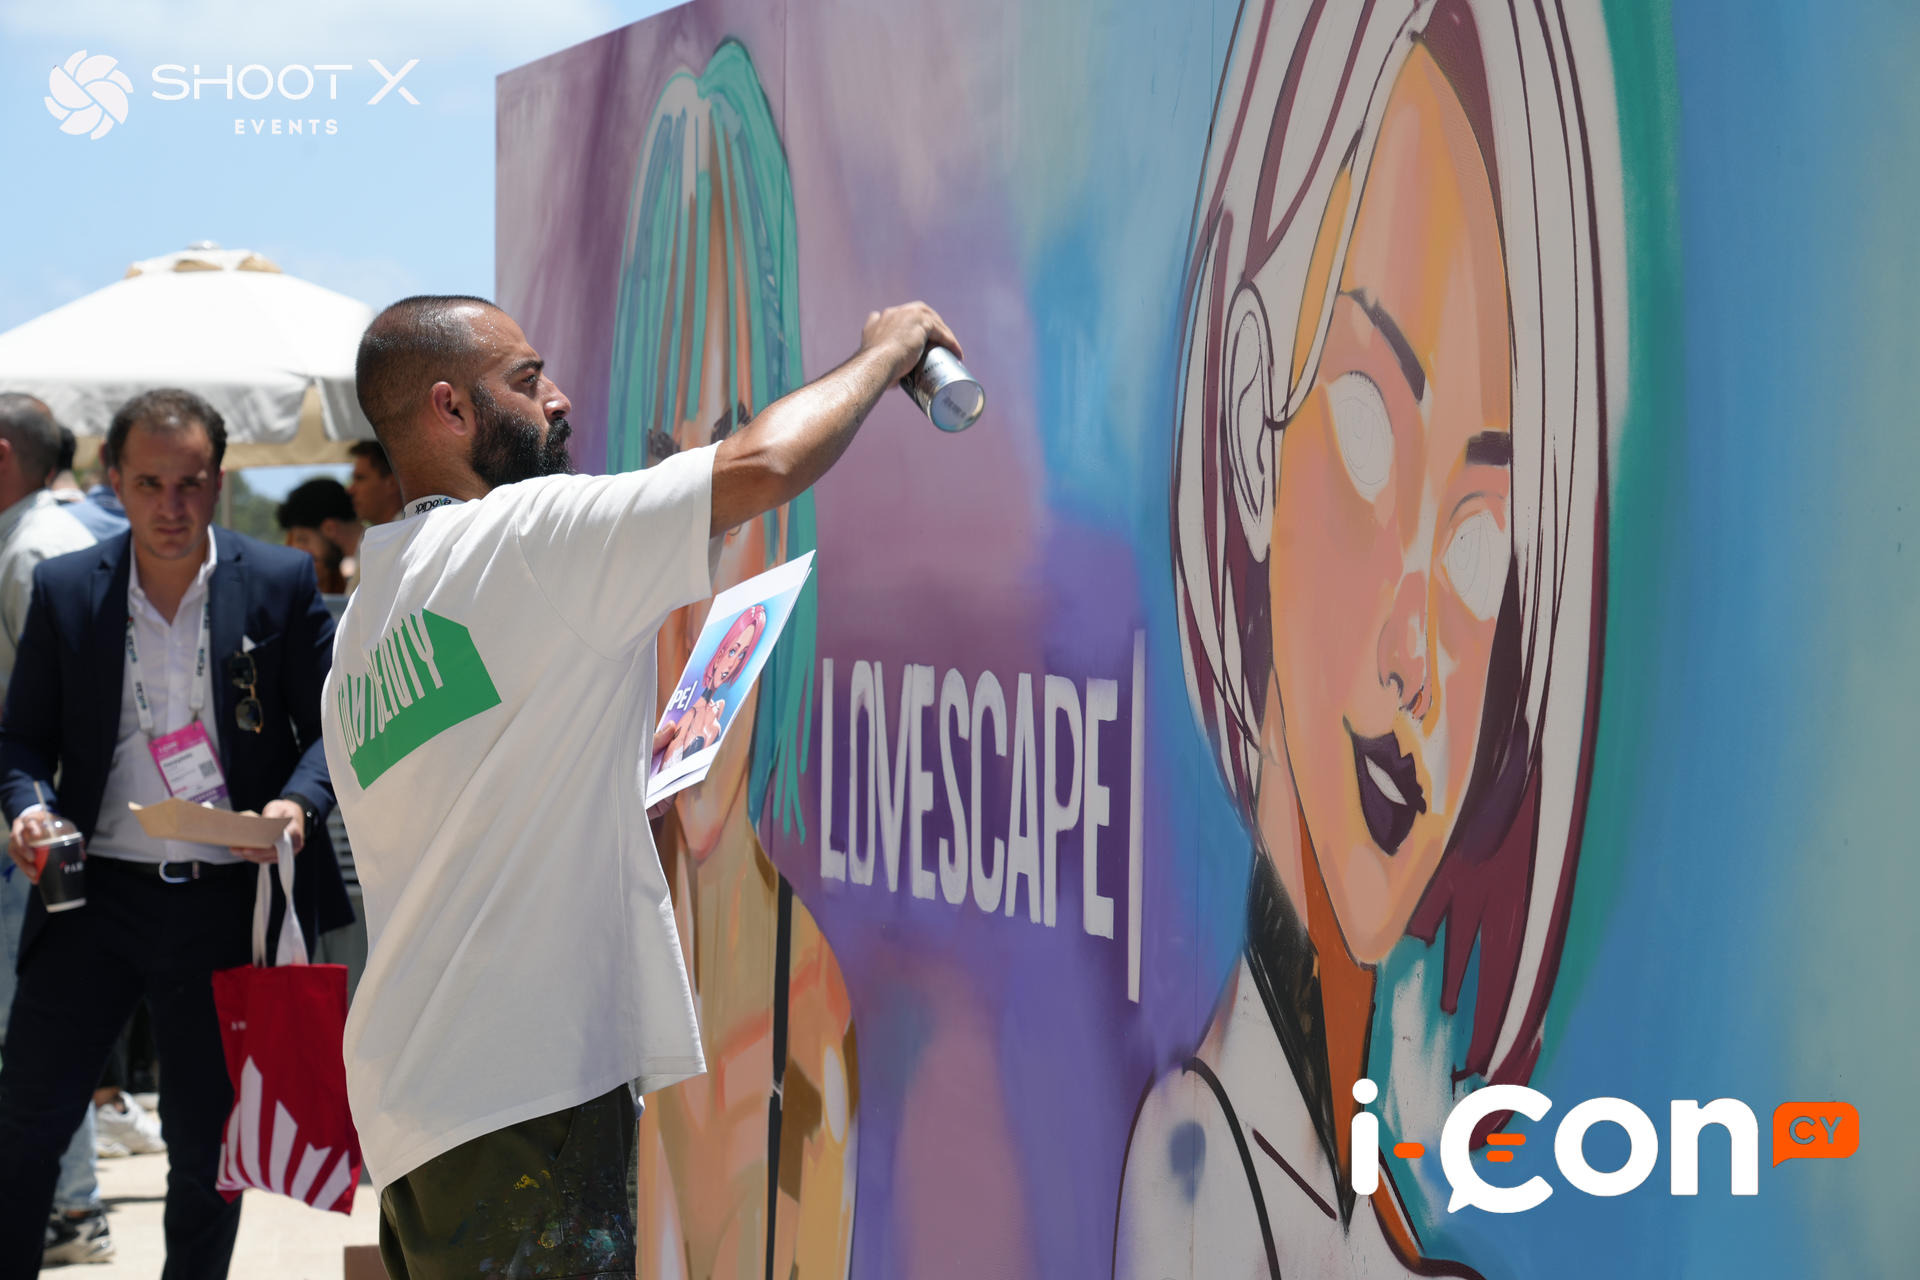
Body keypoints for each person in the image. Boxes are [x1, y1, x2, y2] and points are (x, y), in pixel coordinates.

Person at [1117, 1, 1620, 1276]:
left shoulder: (1362, 1195)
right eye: (1367, 426)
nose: (1417, 649)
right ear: (1251, 421)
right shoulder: (1199, 1170)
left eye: (1481, 540)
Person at [325, 292, 959, 1277]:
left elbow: (472, 814)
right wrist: (889, 350)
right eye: (526, 381)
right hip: (522, 1100)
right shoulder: (525, 537)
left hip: (420, 1105)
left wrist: (616, 793)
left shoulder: (367, 627)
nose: (559, 398)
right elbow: (763, 466)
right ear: (450, 408)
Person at [0, 387, 354, 1279]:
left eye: (190, 482)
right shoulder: (66, 588)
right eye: (150, 483)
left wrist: (297, 804)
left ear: (218, 481)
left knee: (206, 1155)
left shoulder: (276, 582)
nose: (171, 506)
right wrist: (28, 806)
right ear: (114, 480)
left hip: (222, 906)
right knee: (24, 1128)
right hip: (91, 900)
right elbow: (20, 739)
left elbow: (335, 727)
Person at [608, 41, 858, 1277]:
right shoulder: (589, 934)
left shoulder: (806, 1013)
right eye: (664, 462)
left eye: (737, 466)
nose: (697, 562)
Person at [0, 394, 114, 1265]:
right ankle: (69, 1208)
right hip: (38, 828)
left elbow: (56, 714)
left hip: (33, 835)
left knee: (31, 1031)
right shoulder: (37, 540)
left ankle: (71, 1210)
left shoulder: (35, 548)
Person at [275, 477, 363, 594]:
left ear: (330, 529)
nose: (298, 550)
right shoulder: (364, 565)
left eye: (303, 539)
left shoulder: (370, 570)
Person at [345, 440, 402, 526]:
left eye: (360, 478)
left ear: (392, 483)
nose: (350, 490)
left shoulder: (413, 531)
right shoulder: (407, 529)